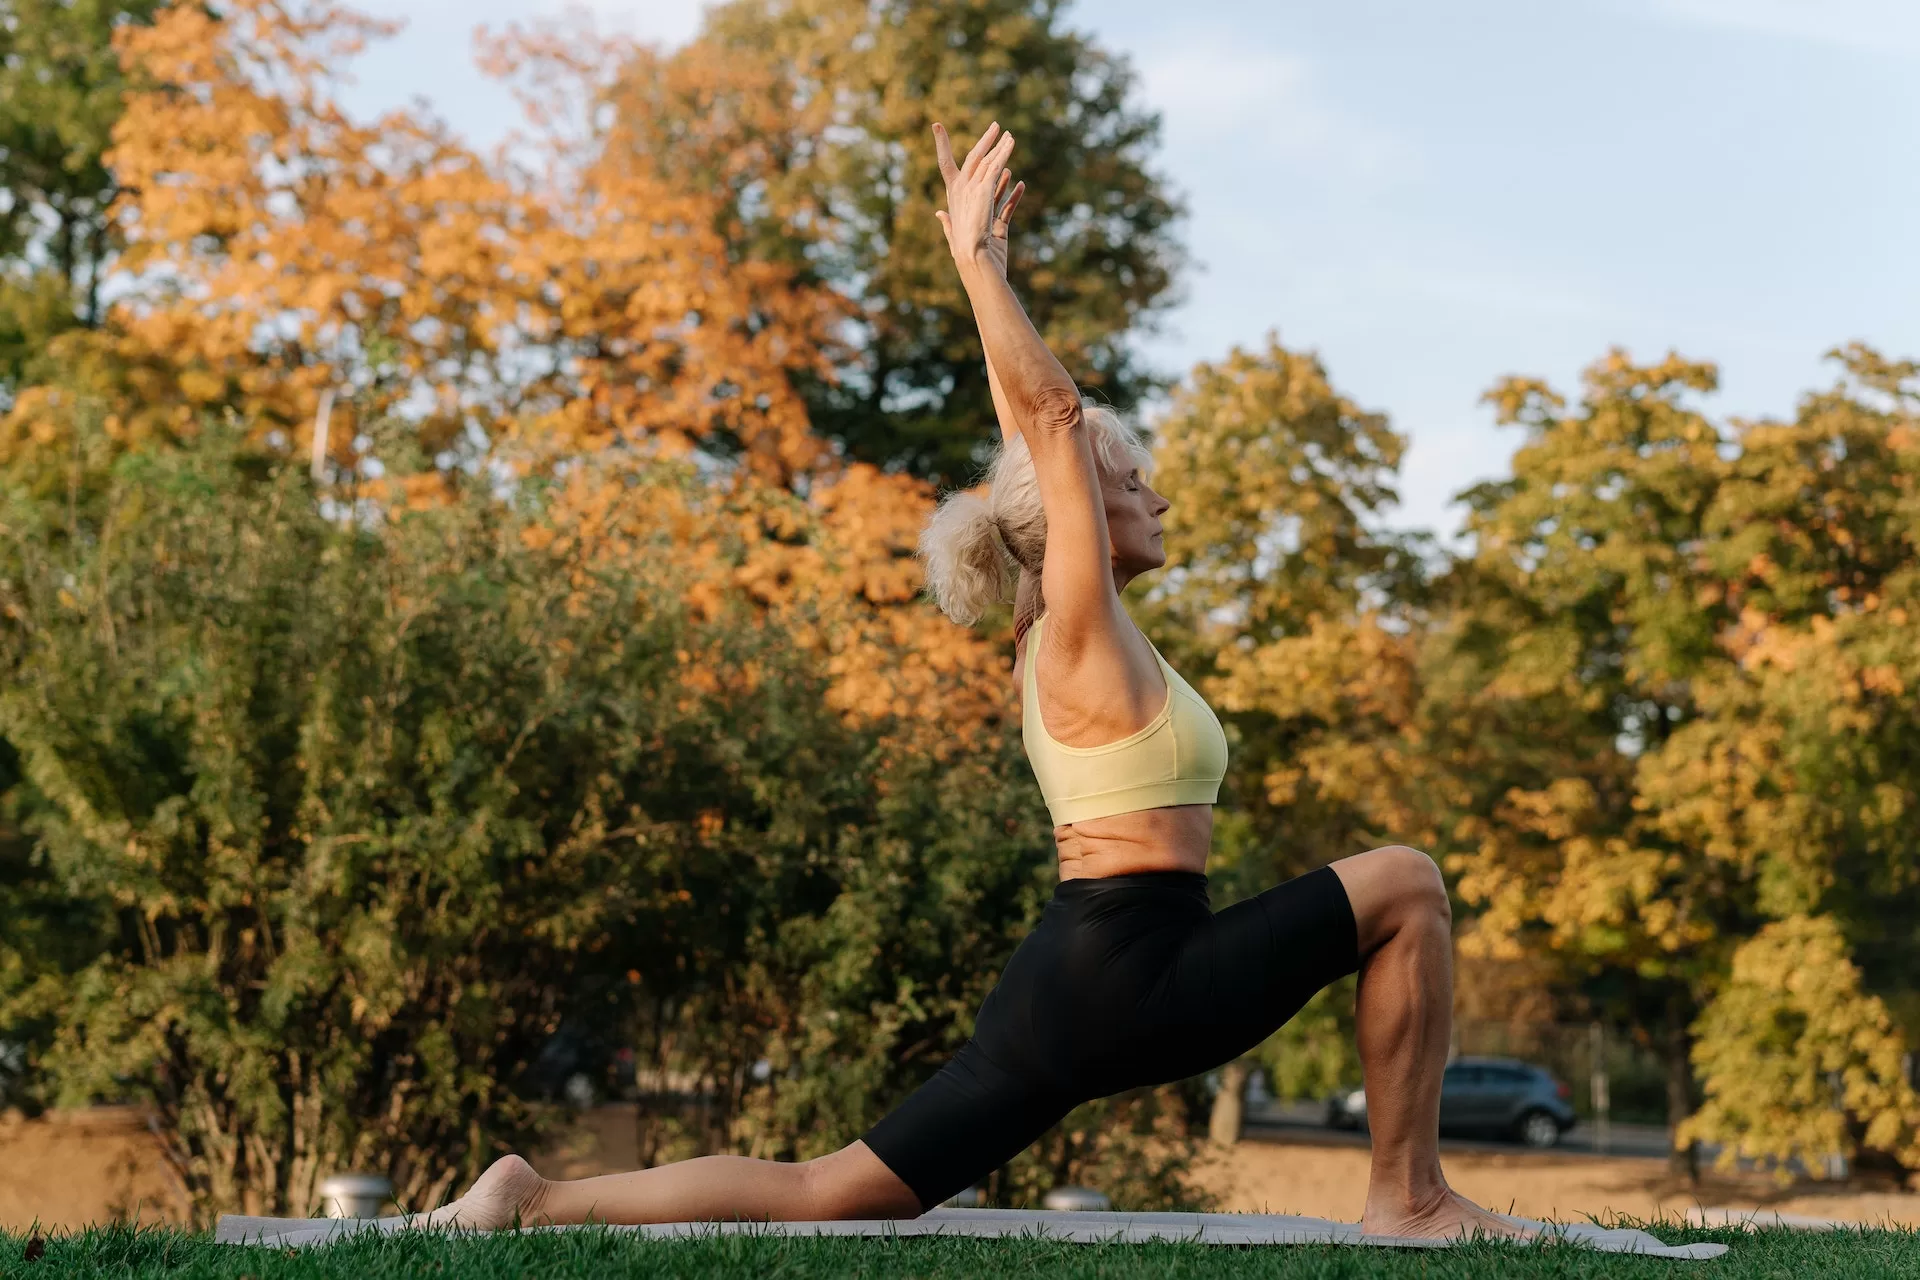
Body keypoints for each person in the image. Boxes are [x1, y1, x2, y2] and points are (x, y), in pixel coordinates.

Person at [420, 123, 1520, 1240]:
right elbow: (1050, 423)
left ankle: (533, 1196)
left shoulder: (1049, 613)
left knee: (834, 1188)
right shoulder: (1080, 620)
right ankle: (1410, 1196)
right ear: (1086, 504)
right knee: (1404, 881)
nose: (1159, 499)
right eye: (1136, 482)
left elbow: (1027, 439)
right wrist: (978, 266)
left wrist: (979, 263)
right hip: (1137, 964)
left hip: (1070, 977)